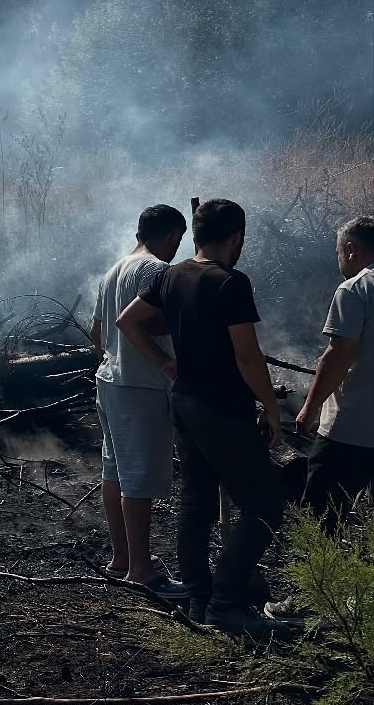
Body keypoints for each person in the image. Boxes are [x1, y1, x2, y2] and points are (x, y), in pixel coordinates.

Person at [118, 198, 290, 638]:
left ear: (194, 234)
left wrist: (162, 361)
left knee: (196, 504)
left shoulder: (171, 274)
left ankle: (198, 597)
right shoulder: (230, 282)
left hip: (186, 402)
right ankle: (226, 603)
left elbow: (127, 320)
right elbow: (247, 356)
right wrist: (271, 407)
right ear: (237, 236)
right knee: (266, 505)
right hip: (222, 407)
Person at [89, 204, 187, 596]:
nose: (177, 249)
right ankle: (142, 571)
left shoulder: (114, 270)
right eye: (177, 241)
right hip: (141, 385)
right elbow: (145, 323)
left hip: (112, 381)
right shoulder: (155, 271)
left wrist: (114, 360)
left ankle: (122, 557)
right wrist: (162, 361)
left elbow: (97, 331)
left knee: (115, 469)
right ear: (167, 236)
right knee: (138, 477)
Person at [292, 215, 374, 528]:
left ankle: (322, 577)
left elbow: (338, 356)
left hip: (351, 430)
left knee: (322, 518)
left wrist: (309, 410)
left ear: (351, 249)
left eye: (338, 252)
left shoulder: (356, 288)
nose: (339, 258)